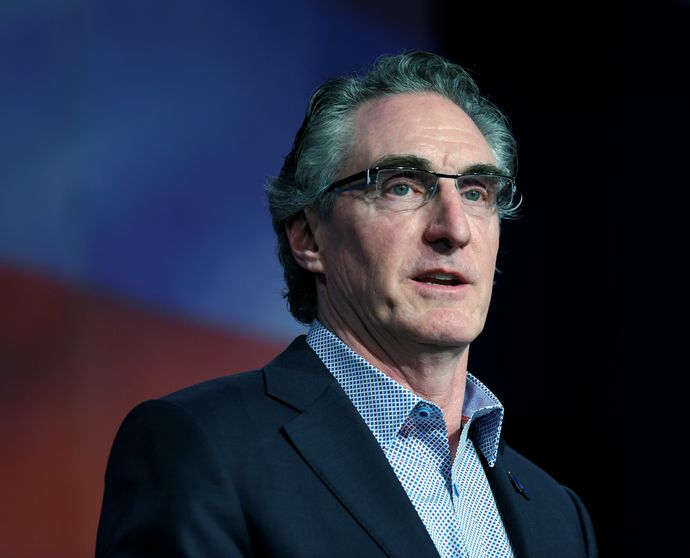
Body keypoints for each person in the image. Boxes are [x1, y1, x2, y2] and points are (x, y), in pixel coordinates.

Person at [96, 50, 598, 558]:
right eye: (402, 186)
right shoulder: (200, 447)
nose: (455, 229)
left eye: (475, 192)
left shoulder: (557, 515)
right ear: (310, 237)